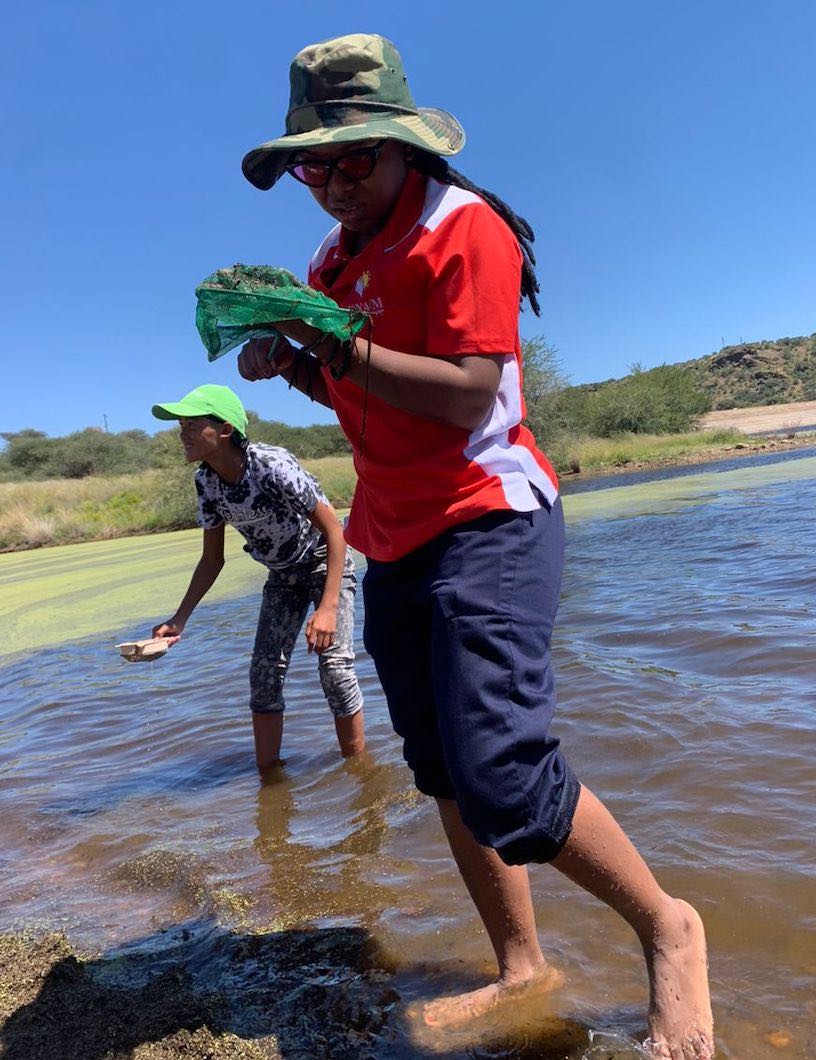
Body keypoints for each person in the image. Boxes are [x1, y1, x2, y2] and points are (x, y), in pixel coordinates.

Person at [236, 34, 713, 1058]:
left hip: (487, 516)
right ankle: (522, 967)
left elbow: (463, 399)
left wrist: (332, 345)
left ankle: (670, 927)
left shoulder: (466, 228)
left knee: (502, 768)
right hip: (395, 533)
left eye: (353, 158)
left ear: (406, 145)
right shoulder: (334, 261)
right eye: (311, 167)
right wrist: (300, 367)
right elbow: (362, 390)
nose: (330, 184)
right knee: (446, 772)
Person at [149, 383, 365, 769]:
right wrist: (178, 619)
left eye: (192, 424)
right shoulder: (207, 483)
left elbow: (336, 531)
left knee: (335, 668)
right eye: (180, 425)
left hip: (322, 562)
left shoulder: (271, 466)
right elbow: (211, 559)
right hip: (282, 576)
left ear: (226, 429)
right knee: (264, 677)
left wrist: (328, 607)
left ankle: (360, 771)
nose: (182, 433)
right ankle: (269, 778)